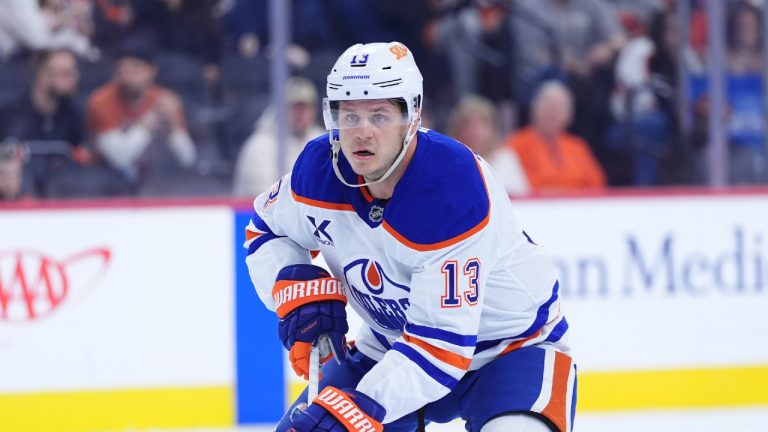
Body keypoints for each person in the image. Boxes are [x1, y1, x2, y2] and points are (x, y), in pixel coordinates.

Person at [244, 42, 575, 431]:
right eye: (349, 116)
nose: (361, 133)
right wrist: (291, 285)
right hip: (391, 348)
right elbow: (264, 229)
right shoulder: (317, 172)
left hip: (512, 351)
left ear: (412, 115)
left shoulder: (453, 189)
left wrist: (360, 410)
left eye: (379, 116)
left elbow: (441, 349)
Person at [86, 48, 196, 194]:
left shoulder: (166, 100)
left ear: (152, 71)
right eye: (123, 69)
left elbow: (188, 159)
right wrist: (149, 121)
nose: (129, 75)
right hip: (105, 180)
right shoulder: (101, 101)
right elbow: (119, 160)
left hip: (157, 180)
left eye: (136, 68)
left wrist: (173, 128)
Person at [0, 48, 87, 197]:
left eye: (74, 72)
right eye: (66, 73)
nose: (75, 78)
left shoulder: (75, 115)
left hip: (62, 202)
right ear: (43, 75)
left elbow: (83, 158)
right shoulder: (8, 112)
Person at [233, 77, 325, 197]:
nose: (301, 114)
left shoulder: (322, 141)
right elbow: (264, 200)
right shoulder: (258, 146)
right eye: (295, 108)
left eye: (306, 108)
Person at [506, 81, 606, 192]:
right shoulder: (515, 145)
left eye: (558, 109)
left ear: (569, 116)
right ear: (534, 109)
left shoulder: (578, 147)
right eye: (548, 107)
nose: (552, 113)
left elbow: (597, 185)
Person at [447, 94, 529, 196]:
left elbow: (521, 199)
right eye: (467, 123)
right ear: (456, 129)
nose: (474, 130)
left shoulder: (506, 158)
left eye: (481, 122)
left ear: (493, 128)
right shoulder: (448, 162)